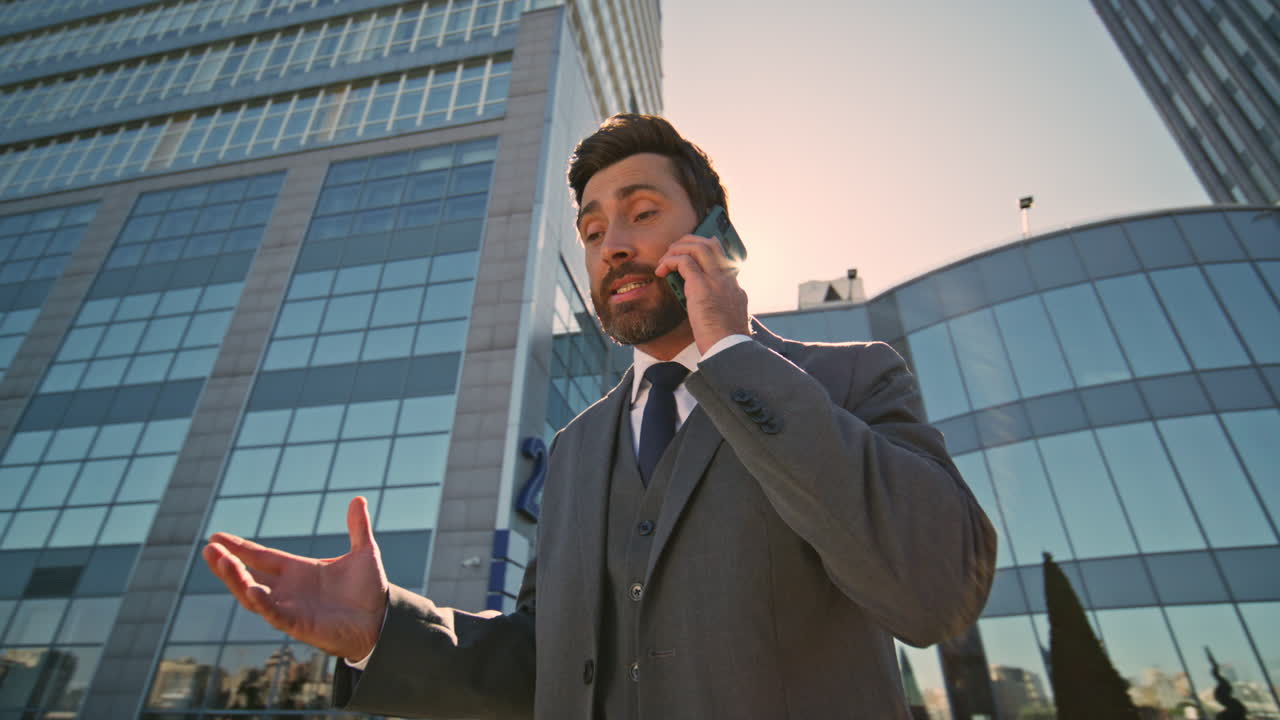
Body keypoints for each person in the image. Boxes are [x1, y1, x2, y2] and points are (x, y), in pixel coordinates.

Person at [203, 114, 998, 719]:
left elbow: (935, 592)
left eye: (641, 211)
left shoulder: (848, 378)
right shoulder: (577, 447)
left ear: (717, 234)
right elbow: (547, 661)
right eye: (591, 229)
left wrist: (730, 355)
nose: (612, 243)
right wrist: (383, 628)